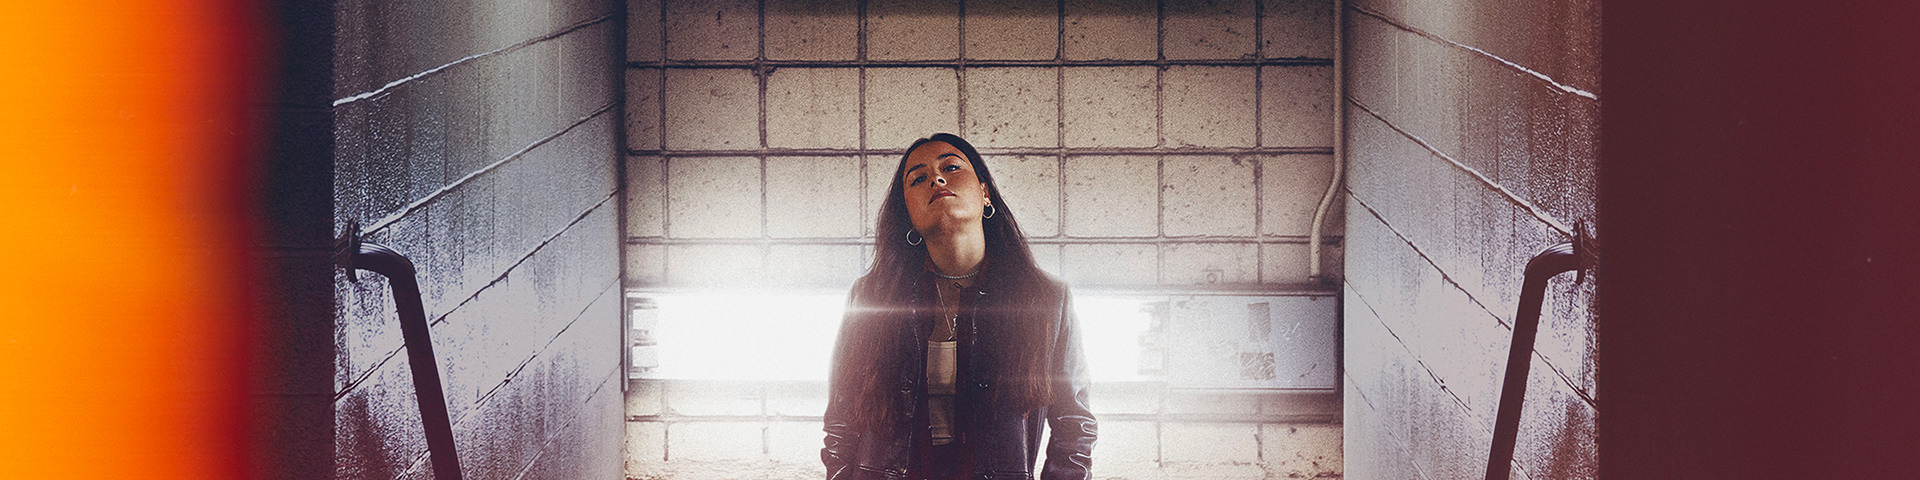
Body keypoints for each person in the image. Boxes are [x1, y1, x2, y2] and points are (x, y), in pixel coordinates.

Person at [822, 133, 1096, 479]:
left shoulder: (1044, 298)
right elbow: (842, 419)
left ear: (985, 193)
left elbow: (1074, 425)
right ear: (908, 213)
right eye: (918, 178)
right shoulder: (871, 297)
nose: (936, 179)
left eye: (951, 167)